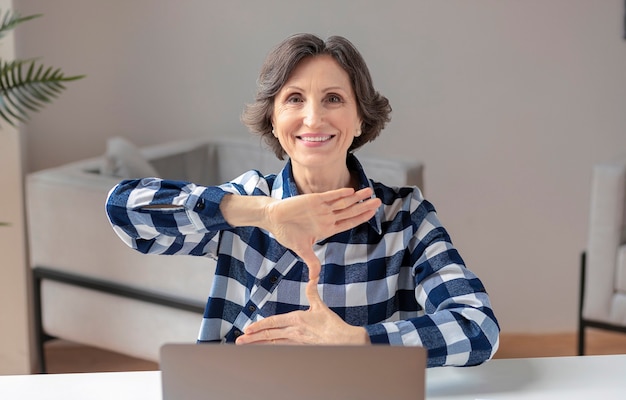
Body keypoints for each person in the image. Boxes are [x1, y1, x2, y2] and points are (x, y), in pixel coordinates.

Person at [105, 33, 499, 367]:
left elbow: (477, 326)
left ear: (360, 118)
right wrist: (264, 213)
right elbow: (124, 209)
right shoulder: (247, 202)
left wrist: (358, 342)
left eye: (333, 99)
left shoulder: (405, 216)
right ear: (273, 120)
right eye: (294, 99)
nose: (313, 119)